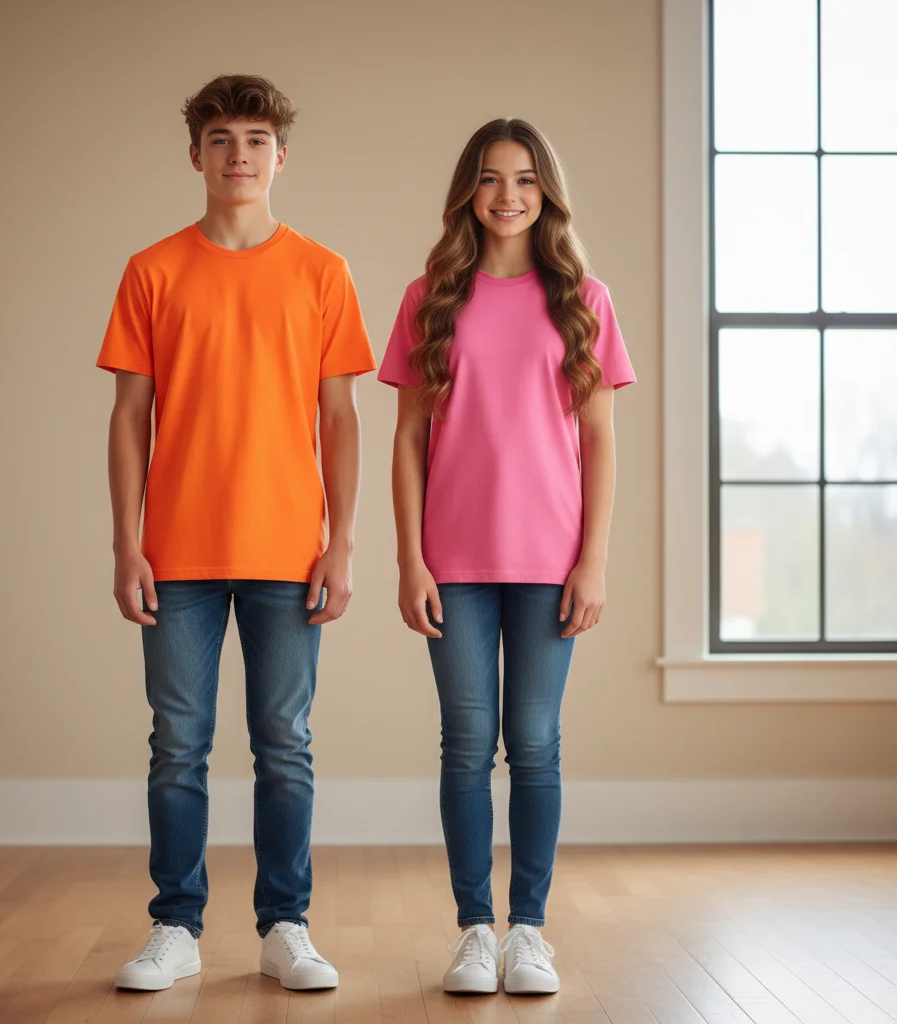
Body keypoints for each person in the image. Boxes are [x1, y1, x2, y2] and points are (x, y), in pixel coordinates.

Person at [95, 74, 376, 992]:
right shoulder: (153, 270)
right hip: (175, 550)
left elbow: (341, 419)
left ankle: (284, 925)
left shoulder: (322, 272)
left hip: (289, 549)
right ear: (196, 155)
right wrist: (124, 542)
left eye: (256, 139)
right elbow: (129, 415)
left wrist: (341, 544)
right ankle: (174, 927)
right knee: (177, 743)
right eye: (222, 139)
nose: (239, 156)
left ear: (280, 156)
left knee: (283, 743)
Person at [378, 119, 635, 995]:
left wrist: (592, 560)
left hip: (550, 560)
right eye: (490, 179)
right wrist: (410, 560)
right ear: (468, 192)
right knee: (465, 743)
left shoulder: (584, 299)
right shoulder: (429, 297)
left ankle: (529, 929)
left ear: (547, 191)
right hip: (452, 560)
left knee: (534, 744)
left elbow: (599, 440)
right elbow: (409, 439)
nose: (508, 195)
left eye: (525, 179)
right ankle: (473, 932)